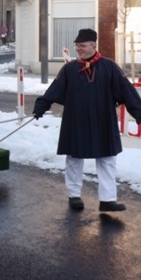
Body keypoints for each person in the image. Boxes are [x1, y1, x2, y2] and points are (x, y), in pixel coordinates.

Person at [33, 28, 141, 212]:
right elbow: (55, 89)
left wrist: (138, 113)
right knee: (74, 158)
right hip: (76, 120)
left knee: (107, 158)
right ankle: (74, 195)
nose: (78, 49)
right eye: (77, 46)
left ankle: (107, 200)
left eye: (82, 45)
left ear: (93, 46)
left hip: (103, 119)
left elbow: (126, 90)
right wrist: (41, 106)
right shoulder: (69, 69)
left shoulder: (110, 67)